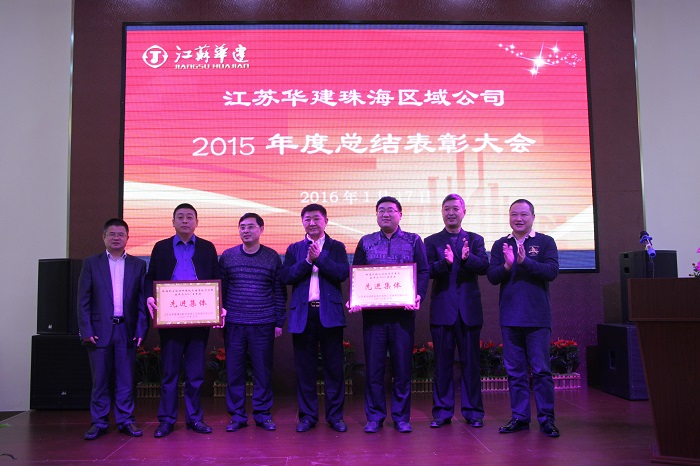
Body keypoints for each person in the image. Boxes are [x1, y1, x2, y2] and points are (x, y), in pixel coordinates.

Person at [348, 196, 430, 434]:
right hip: (374, 318)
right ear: (376, 215)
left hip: (402, 316)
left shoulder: (414, 240)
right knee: (374, 369)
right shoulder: (366, 241)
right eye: (381, 210)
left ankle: (401, 418)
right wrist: (355, 298)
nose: (385, 214)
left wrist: (418, 295)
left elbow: (424, 271)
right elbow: (358, 274)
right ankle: (374, 417)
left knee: (402, 369)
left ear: (400, 215)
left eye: (391, 210)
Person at [487, 199, 560, 438]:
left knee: (541, 371)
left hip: (537, 318)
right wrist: (507, 266)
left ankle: (546, 419)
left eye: (523, 215)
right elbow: (492, 277)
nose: (518, 219)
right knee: (515, 373)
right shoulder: (501, 244)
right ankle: (519, 417)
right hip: (510, 318)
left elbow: (552, 272)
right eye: (514, 214)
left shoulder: (545, 242)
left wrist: (525, 261)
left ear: (533, 217)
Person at [145, 203, 220, 438]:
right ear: (173, 222)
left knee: (195, 374)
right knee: (170, 373)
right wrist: (149, 296)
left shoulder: (207, 247)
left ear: (197, 222)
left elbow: (217, 278)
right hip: (170, 320)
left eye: (189, 217)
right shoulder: (161, 247)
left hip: (199, 320)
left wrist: (219, 306)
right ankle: (166, 420)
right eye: (180, 217)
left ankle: (194, 419)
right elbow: (150, 277)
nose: (185, 221)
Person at [279, 204, 350, 433]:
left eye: (316, 218)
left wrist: (319, 259)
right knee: (305, 369)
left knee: (334, 368)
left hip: (329, 314)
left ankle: (335, 417)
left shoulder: (337, 247)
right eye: (307, 219)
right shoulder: (294, 249)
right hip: (303, 314)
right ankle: (307, 416)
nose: (312, 223)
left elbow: (342, 273)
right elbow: (286, 276)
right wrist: (308, 261)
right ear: (302, 222)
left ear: (326, 221)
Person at [77, 218, 149, 440]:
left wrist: (141, 329)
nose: (116, 238)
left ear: (127, 238)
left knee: (125, 380)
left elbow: (141, 301)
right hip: (99, 331)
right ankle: (99, 422)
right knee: (100, 381)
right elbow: (83, 300)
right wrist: (86, 330)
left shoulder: (138, 265)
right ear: (104, 237)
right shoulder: (91, 263)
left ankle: (126, 420)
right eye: (112, 234)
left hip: (126, 330)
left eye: (121, 234)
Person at [424, 194, 489, 429]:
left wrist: (467, 258)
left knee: (471, 364)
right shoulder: (431, 241)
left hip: (469, 311)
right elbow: (427, 271)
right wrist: (446, 264)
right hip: (443, 310)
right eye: (446, 209)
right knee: (442, 364)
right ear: (442, 212)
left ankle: (473, 412)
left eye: (455, 208)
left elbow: (485, 267)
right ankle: (442, 412)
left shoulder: (475, 239)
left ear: (464, 212)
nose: (451, 213)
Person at [219, 213, 287, 433]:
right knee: (234, 372)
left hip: (263, 323)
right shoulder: (228, 256)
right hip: (234, 323)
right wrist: (220, 317)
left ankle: (262, 414)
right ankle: (237, 416)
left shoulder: (272, 257)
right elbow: (222, 290)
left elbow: (279, 291)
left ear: (261, 229)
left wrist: (279, 321)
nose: (245, 231)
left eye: (250, 226)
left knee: (262, 372)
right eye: (242, 227)